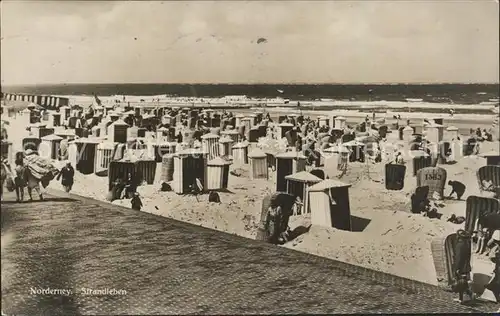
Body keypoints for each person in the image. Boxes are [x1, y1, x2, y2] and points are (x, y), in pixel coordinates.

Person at [453, 229, 474, 304]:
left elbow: (459, 258)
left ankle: (465, 297)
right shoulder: (467, 244)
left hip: (461, 267)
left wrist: (457, 268)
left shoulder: (459, 245)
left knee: (461, 282)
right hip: (466, 266)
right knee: (463, 282)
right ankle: (462, 298)